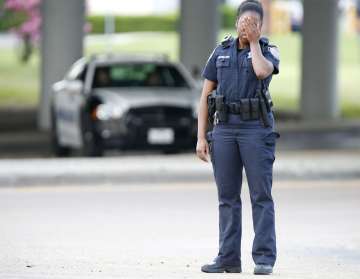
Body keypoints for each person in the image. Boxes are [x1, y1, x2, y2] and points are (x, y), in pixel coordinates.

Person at [196, 0, 280, 275]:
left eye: (253, 23)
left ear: (260, 25)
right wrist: (201, 137)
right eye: (244, 22)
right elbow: (205, 96)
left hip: (255, 129)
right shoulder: (220, 51)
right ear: (235, 23)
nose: (247, 27)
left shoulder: (268, 50)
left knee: (261, 195)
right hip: (224, 130)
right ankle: (228, 258)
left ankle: (264, 258)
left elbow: (261, 71)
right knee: (227, 197)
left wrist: (254, 42)